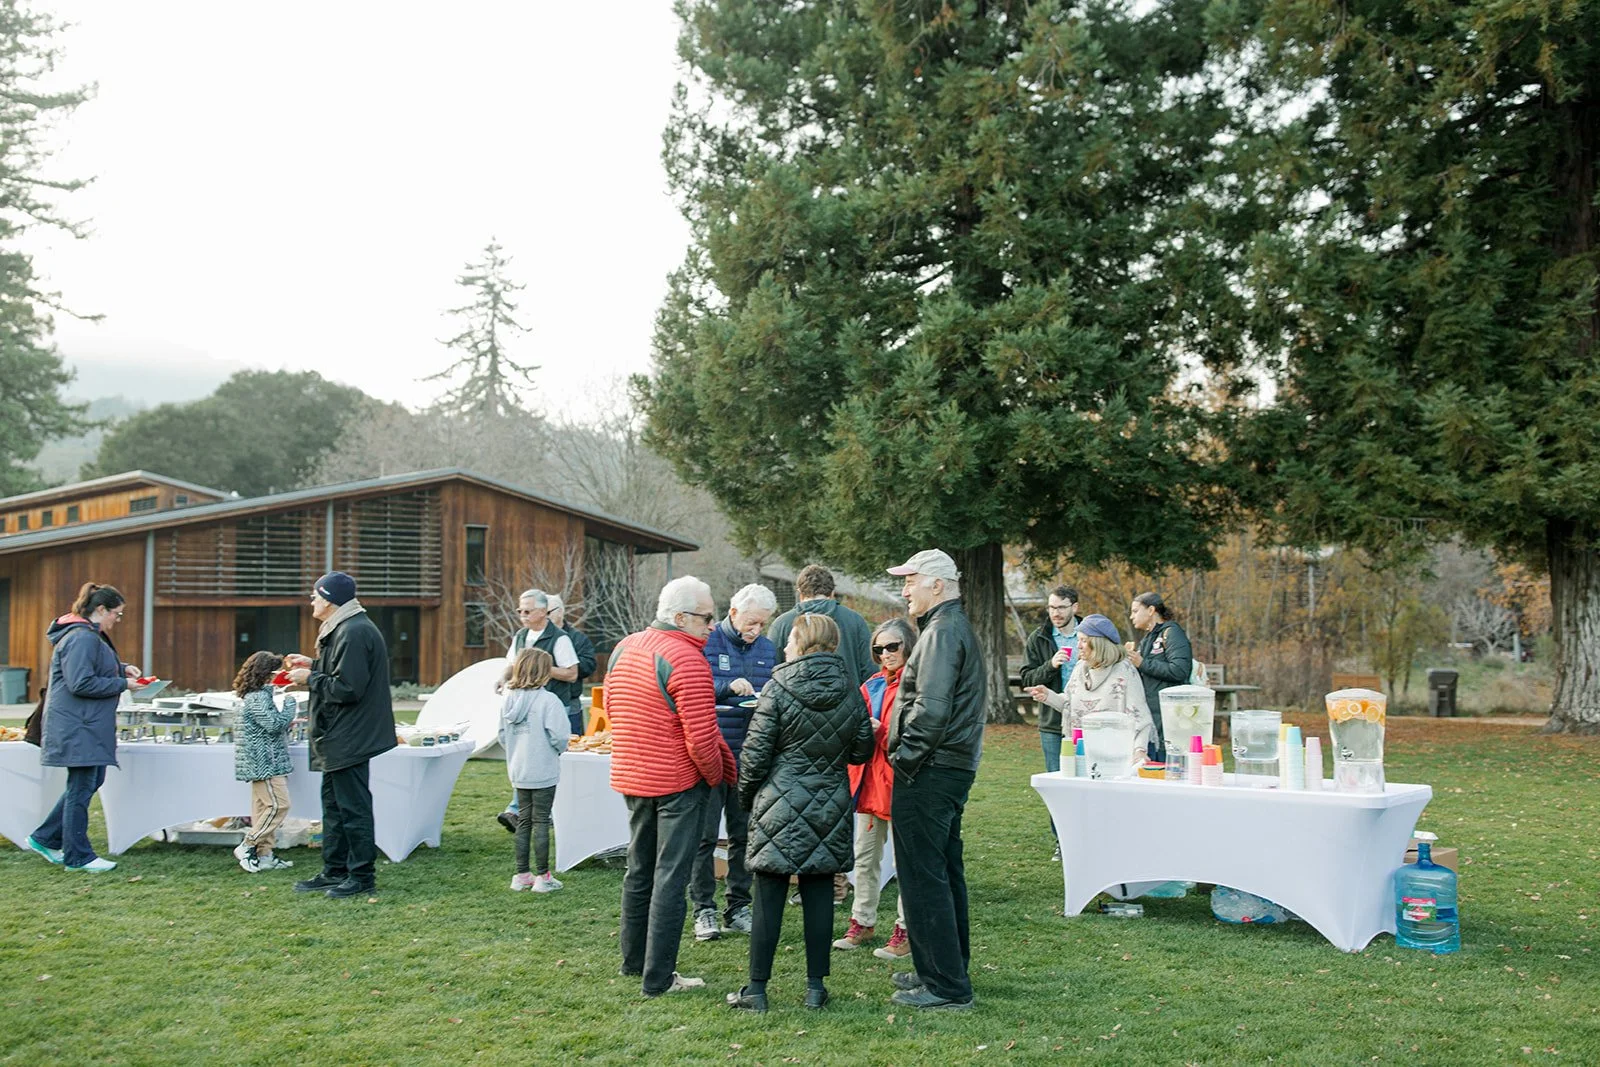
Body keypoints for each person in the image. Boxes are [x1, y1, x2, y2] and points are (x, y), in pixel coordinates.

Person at [726, 614, 874, 1013]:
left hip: (779, 799)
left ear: (804, 642)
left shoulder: (777, 687)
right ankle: (814, 988)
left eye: (790, 639)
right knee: (820, 891)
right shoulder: (851, 689)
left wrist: (746, 800)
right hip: (829, 799)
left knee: (769, 895)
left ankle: (756, 989)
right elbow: (862, 750)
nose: (785, 647)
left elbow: (755, 756)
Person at [603, 575, 735, 997]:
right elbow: (701, 737)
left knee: (639, 870)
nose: (712, 626)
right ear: (679, 617)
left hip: (634, 775)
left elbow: (612, 710)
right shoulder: (688, 659)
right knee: (670, 879)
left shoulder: (625, 648)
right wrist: (715, 778)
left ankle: (633, 961)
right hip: (677, 782)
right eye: (706, 617)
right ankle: (658, 978)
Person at [884, 549, 984, 1011]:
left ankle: (946, 985)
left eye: (911, 581)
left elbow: (932, 709)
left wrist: (904, 758)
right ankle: (943, 967)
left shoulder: (944, 632)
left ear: (937, 585)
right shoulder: (947, 628)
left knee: (925, 877)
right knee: (941, 872)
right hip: (946, 766)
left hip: (931, 769)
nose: (905, 590)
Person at [285, 572, 397, 899]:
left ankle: (361, 876)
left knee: (352, 808)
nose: (312, 601)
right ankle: (334, 870)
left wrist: (310, 677)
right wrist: (315, 665)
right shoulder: (346, 628)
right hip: (340, 735)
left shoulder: (354, 631)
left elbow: (347, 688)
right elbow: (341, 672)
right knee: (334, 807)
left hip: (350, 736)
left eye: (315, 595)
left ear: (330, 599)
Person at [26, 582, 140, 873]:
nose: (118, 619)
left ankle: (45, 837)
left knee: (91, 781)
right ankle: (78, 856)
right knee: (81, 787)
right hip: (78, 726)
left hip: (83, 725)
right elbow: (81, 682)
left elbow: (87, 668)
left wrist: (121, 667)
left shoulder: (87, 636)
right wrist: (122, 683)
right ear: (100, 610)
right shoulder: (82, 637)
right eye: (117, 613)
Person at [691, 583, 778, 942]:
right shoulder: (706, 642)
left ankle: (738, 906)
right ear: (733, 613)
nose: (756, 630)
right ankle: (703, 910)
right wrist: (727, 686)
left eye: (762, 624)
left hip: (750, 756)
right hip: (712, 752)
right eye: (752, 622)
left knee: (744, 835)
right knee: (705, 836)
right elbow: (692, 685)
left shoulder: (769, 650)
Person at [834, 617, 916, 958]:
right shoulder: (871, 686)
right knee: (864, 858)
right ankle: (862, 922)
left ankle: (906, 929)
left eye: (892, 647)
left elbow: (914, 737)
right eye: (878, 649)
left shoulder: (918, 687)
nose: (885, 654)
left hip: (901, 784)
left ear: (908, 646)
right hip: (868, 785)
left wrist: (880, 731)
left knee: (905, 862)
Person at [495, 589, 582, 833]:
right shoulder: (520, 636)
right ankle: (519, 810)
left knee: (551, 758)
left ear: (543, 612)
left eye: (527, 611)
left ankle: (541, 811)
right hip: (524, 703)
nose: (522, 615)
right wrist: (503, 678)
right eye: (519, 610)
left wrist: (539, 668)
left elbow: (571, 673)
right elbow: (511, 665)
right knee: (525, 757)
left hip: (552, 703)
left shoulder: (560, 638)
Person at [1025, 614, 1154, 771]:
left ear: (1099, 644)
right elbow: (1070, 703)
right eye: (1078, 640)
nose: (1078, 646)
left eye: (1084, 640)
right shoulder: (1080, 668)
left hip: (1116, 756)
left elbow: (1140, 716)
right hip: (1082, 752)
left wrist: (1139, 751)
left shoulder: (1124, 670)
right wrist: (1048, 696)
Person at [499, 647, 571, 893]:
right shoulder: (548, 701)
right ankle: (543, 876)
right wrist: (556, 749)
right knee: (541, 821)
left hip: (519, 769)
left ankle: (522, 875)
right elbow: (560, 736)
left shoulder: (508, 700)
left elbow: (502, 736)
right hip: (543, 768)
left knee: (523, 822)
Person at [1019, 585, 1081, 856]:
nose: (1055, 613)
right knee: (1058, 783)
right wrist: (1051, 665)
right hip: (1052, 723)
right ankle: (1062, 841)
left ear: (1074, 608)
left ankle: (1087, 836)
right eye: (1052, 607)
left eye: (1061, 608)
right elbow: (1027, 678)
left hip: (1087, 720)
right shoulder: (1040, 638)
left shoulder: (1090, 634)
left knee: (1088, 781)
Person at [231, 651, 300, 874]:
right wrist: (290, 702)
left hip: (260, 760)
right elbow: (273, 724)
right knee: (279, 805)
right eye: (275, 672)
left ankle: (265, 855)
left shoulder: (253, 695)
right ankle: (248, 844)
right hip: (265, 762)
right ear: (266, 674)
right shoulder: (258, 697)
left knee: (262, 809)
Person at [768, 564, 874, 686]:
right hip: (847, 698)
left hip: (794, 699)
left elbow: (772, 672)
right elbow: (869, 670)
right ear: (833, 593)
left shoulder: (781, 624)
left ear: (800, 593)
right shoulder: (855, 620)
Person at [1127, 592, 1193, 760]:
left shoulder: (1172, 633)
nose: (1131, 616)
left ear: (1150, 610)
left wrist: (1142, 663)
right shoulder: (1147, 639)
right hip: (1152, 719)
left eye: (1135, 611)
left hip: (1171, 719)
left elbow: (1180, 670)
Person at [547, 594, 597, 736]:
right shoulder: (536, 637)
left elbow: (589, 665)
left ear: (560, 612)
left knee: (572, 747)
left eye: (548, 612)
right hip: (542, 702)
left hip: (569, 702)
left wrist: (567, 664)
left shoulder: (578, 638)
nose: (544, 617)